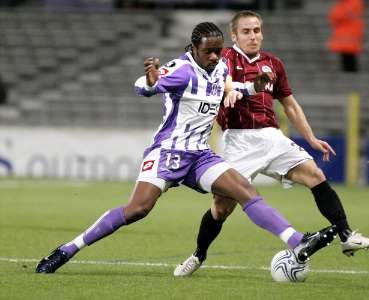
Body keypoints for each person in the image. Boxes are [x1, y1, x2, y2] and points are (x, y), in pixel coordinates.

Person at [35, 22, 337, 274]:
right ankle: (67, 250)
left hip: (199, 155)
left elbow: (227, 89)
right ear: (193, 48)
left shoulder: (219, 69)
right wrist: (152, 81)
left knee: (245, 190)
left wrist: (254, 87)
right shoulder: (181, 69)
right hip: (167, 153)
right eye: (209, 51)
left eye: (219, 50)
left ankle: (297, 241)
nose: (216, 56)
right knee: (138, 209)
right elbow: (145, 85)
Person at [174, 11, 369, 277]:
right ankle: (198, 256)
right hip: (238, 139)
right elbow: (214, 82)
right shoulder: (221, 59)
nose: (253, 36)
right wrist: (231, 89)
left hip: (272, 137)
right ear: (234, 35)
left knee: (315, 175)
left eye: (257, 30)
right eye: (246, 31)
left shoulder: (274, 63)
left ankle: (346, 235)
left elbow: (290, 105)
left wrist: (311, 138)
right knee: (221, 208)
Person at [327, 0, 365, 72]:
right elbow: (333, 16)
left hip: (350, 34)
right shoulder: (342, 4)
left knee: (350, 57)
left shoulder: (354, 3)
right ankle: (348, 71)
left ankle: (350, 72)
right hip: (345, 35)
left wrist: (338, 16)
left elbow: (341, 15)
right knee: (346, 57)